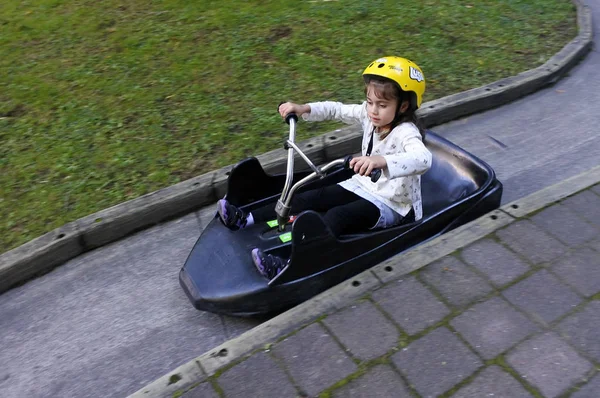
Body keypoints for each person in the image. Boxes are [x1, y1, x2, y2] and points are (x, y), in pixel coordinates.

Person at [217, 56, 432, 280]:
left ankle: (288, 265)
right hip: (363, 184)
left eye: (382, 105)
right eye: (369, 102)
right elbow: (336, 110)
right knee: (310, 196)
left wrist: (381, 161)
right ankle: (244, 218)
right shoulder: (369, 116)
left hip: (393, 204)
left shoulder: (406, 131)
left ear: (404, 106)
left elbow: (423, 159)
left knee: (337, 216)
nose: (373, 110)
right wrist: (303, 108)